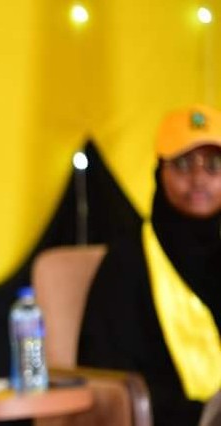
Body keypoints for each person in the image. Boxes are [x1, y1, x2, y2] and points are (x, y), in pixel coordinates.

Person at [78, 104, 221, 426]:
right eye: (183, 164)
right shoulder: (128, 260)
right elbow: (108, 372)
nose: (198, 179)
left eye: (214, 165)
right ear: (160, 172)